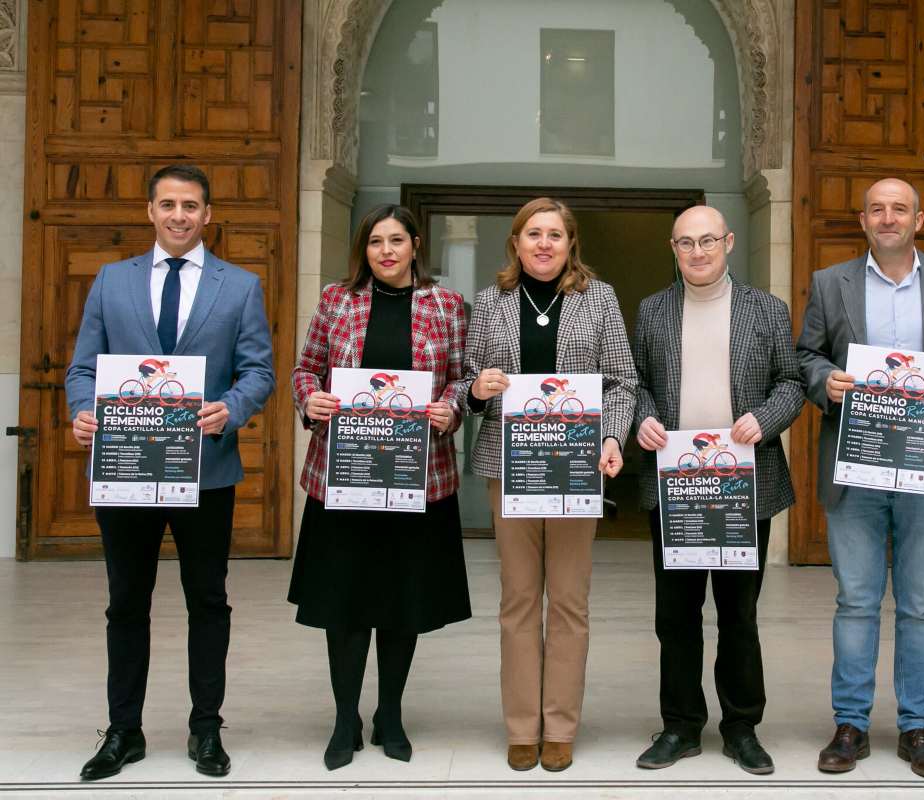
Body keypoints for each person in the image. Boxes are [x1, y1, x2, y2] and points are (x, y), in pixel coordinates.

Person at [65, 165, 275, 781]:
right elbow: (83, 369)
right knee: (125, 603)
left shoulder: (240, 286)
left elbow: (258, 371)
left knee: (207, 602)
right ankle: (123, 731)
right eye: (167, 204)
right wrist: (83, 412)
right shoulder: (111, 280)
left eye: (190, 205)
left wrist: (230, 409)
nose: (178, 215)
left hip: (206, 472)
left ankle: (205, 729)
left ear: (208, 215)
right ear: (149, 211)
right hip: (126, 471)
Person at [796, 177, 924, 779]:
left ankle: (916, 728)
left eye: (899, 208)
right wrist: (826, 381)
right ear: (862, 218)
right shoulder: (831, 282)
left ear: (919, 220)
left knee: (922, 605)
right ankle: (850, 723)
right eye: (877, 208)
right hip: (857, 462)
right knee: (856, 600)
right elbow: (806, 354)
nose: (888, 217)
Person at [454, 197, 636, 773]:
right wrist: (478, 387)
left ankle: (559, 726)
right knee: (518, 601)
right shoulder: (491, 302)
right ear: (516, 242)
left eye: (555, 234)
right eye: (533, 233)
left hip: (577, 468)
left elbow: (622, 384)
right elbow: (465, 383)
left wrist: (611, 438)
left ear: (570, 242)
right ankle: (520, 727)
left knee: (570, 603)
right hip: (510, 469)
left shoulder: (598, 299)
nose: (544, 244)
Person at [289, 204, 471, 770]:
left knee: (402, 600)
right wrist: (309, 399)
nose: (385, 251)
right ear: (363, 250)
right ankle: (345, 716)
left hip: (418, 479)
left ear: (416, 244)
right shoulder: (336, 301)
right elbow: (306, 368)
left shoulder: (446, 306)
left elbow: (464, 379)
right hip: (344, 477)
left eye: (396, 240)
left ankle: (390, 712)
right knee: (343, 602)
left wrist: (451, 408)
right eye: (374, 242)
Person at [632, 205, 804, 775]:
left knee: (739, 612)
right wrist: (644, 419)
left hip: (744, 484)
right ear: (672, 248)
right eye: (686, 243)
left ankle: (741, 727)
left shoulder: (767, 309)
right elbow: (635, 385)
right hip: (676, 485)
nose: (698, 252)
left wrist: (767, 417)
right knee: (675, 615)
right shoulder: (653, 311)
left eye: (708, 240)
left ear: (728, 242)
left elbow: (792, 382)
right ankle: (680, 726)